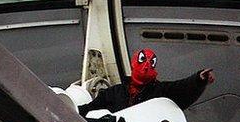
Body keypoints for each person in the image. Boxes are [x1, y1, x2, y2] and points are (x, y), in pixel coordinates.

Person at [78, 48, 215, 116]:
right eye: (143, 60)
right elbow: (90, 109)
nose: (146, 66)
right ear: (133, 63)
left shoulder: (162, 91)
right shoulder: (115, 92)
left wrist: (199, 79)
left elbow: (182, 89)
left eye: (151, 63)